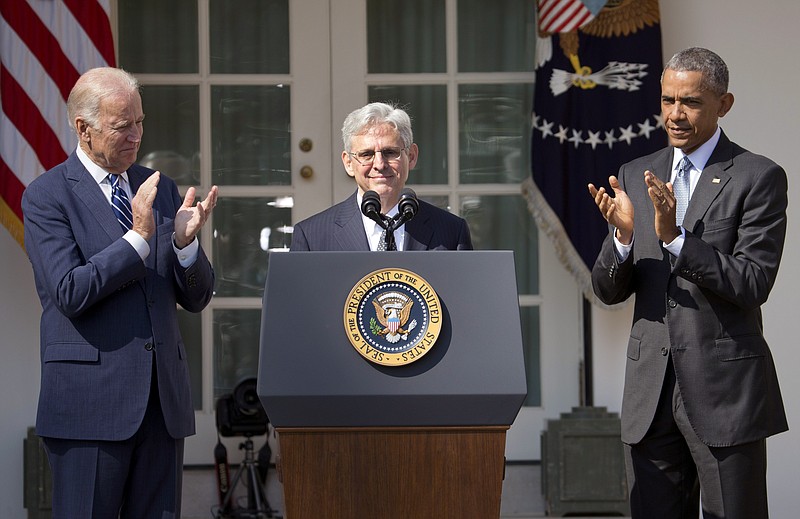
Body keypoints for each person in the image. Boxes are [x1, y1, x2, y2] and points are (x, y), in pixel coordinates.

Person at [587, 47, 788, 518]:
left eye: (691, 102)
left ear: (725, 104)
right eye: (667, 100)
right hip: (650, 393)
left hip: (725, 393)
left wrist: (675, 238)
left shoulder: (757, 176)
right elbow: (608, 290)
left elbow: (753, 282)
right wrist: (622, 238)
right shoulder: (635, 173)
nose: (675, 115)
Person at [22, 67, 218, 518]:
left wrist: (185, 248)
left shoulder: (159, 187)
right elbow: (70, 291)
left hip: (161, 406)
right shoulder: (47, 196)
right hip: (89, 406)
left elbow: (196, 298)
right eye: (122, 125)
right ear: (83, 129)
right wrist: (138, 238)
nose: (136, 135)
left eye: (140, 122)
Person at [291, 102, 472, 251]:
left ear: (411, 156)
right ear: (348, 163)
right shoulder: (311, 237)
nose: (379, 164)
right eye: (366, 154)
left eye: (390, 152)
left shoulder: (451, 232)